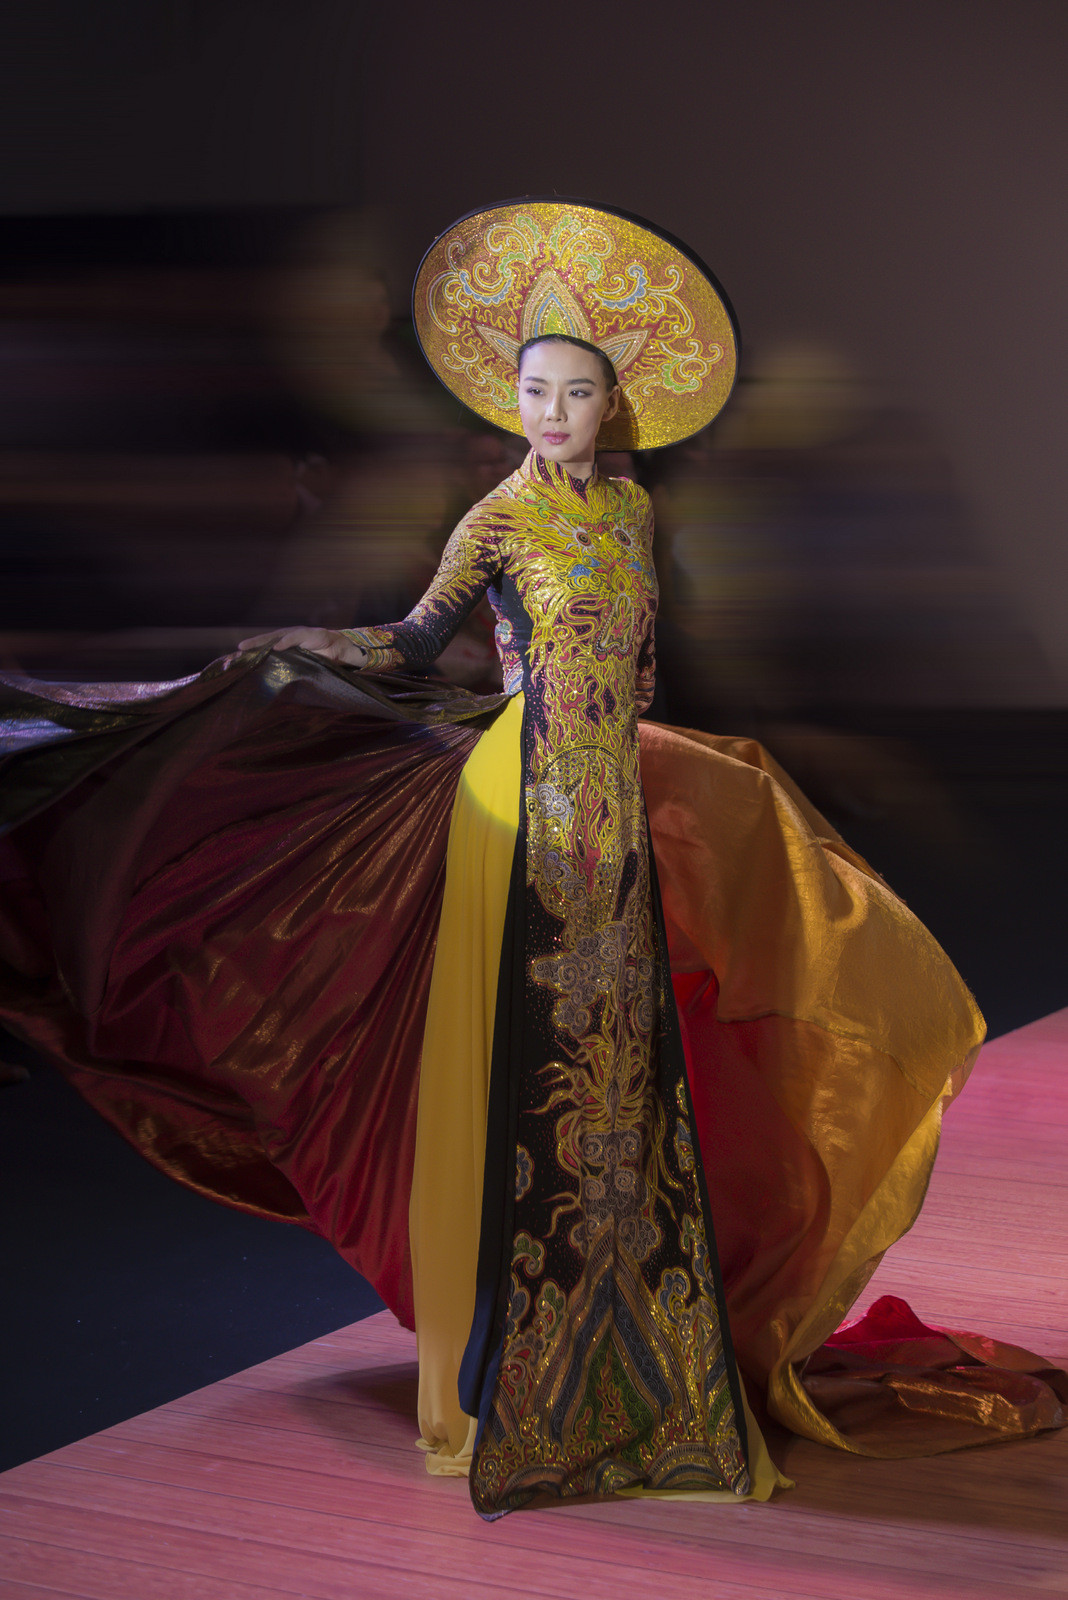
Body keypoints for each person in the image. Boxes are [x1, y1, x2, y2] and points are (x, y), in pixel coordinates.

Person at [0, 200, 1062, 1518]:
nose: (550, 414)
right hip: (528, 802)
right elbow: (413, 640)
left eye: (575, 394)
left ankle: (644, 1347)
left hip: (618, 799)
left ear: (615, 408)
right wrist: (298, 654)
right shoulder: (495, 521)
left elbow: (644, 670)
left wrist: (658, 774)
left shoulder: (631, 510)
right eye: (533, 392)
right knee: (545, 1079)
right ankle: (533, 1367)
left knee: (636, 1078)